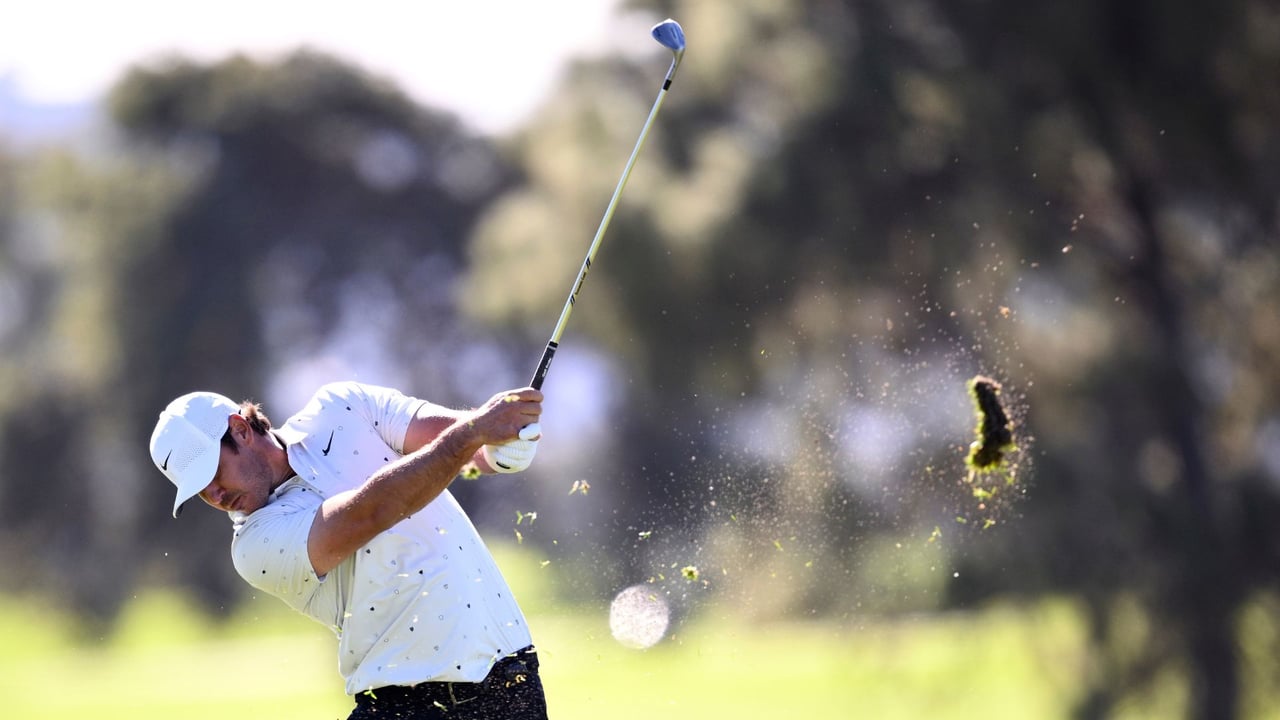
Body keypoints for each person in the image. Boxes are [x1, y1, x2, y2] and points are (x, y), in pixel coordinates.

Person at [149, 380, 548, 719]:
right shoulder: (254, 545)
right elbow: (370, 514)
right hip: (406, 705)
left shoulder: (343, 406)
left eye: (212, 473)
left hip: (511, 684)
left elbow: (466, 443)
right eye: (199, 491)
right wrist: (474, 433)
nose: (214, 495)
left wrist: (503, 443)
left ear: (240, 429)